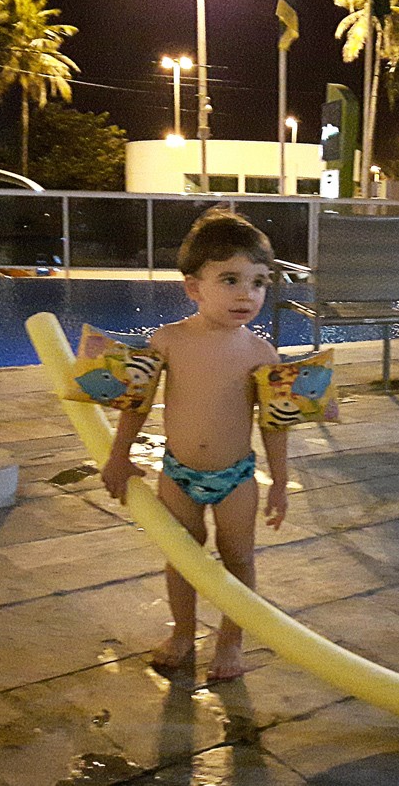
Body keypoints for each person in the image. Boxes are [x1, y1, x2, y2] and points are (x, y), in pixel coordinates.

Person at [101, 209, 288, 681]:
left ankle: (231, 640)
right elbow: (136, 403)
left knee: (239, 558)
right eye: (231, 279)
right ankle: (183, 633)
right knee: (183, 557)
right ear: (193, 288)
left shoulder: (261, 353)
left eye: (260, 282)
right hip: (178, 474)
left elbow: (274, 423)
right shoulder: (168, 341)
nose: (248, 294)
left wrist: (280, 482)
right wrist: (118, 456)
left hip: (237, 477)